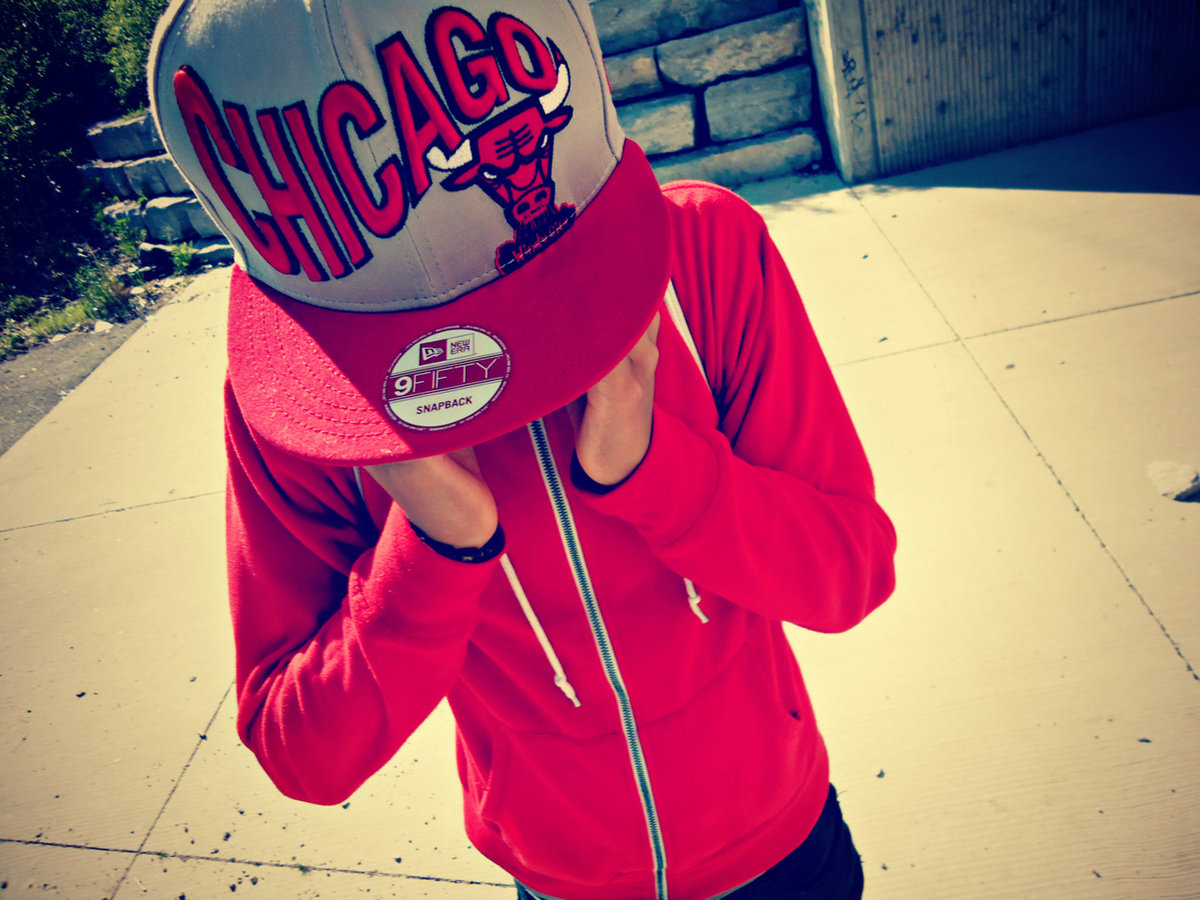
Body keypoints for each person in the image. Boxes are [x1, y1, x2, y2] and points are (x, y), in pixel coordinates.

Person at [148, 1, 897, 897]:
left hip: (786, 846)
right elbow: (302, 753)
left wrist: (658, 472)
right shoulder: (306, 406)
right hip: (558, 878)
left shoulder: (703, 254)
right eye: (399, 327)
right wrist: (435, 549)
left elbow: (852, 573)